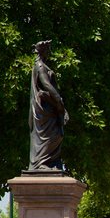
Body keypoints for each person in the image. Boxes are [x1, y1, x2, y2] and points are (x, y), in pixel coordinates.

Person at [29, 40, 69, 171]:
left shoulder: (44, 66)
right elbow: (46, 84)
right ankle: (40, 163)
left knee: (57, 134)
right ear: (43, 51)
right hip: (43, 107)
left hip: (50, 105)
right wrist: (59, 99)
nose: (49, 52)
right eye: (48, 49)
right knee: (50, 135)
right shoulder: (40, 66)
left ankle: (51, 161)